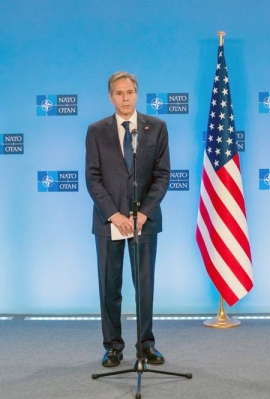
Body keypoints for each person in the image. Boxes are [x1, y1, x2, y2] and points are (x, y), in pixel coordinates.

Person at [85, 71, 170, 367]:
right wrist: (115, 215)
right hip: (109, 223)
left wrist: (143, 213)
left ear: (137, 94)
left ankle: (146, 345)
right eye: (119, 93)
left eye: (129, 92)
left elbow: (162, 176)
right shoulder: (96, 130)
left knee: (144, 286)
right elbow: (93, 178)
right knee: (110, 287)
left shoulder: (156, 128)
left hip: (144, 223)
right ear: (110, 97)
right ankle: (113, 346)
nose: (125, 98)